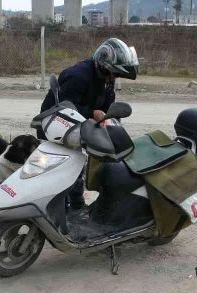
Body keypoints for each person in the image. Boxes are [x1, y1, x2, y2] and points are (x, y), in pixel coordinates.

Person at [38, 38, 139, 210]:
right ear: (103, 65)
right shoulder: (77, 76)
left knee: (79, 164)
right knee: (63, 168)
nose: (115, 77)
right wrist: (92, 112)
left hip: (80, 127)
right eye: (114, 73)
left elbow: (106, 108)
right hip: (54, 125)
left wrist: (111, 123)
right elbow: (63, 107)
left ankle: (76, 206)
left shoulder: (106, 80)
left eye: (117, 74)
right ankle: (59, 208)